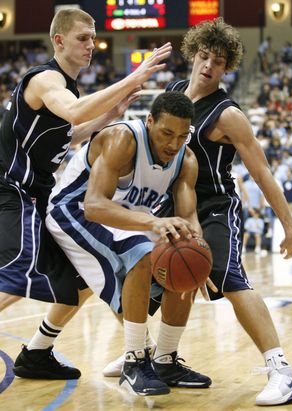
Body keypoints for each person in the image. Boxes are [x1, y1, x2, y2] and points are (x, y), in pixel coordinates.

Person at [106, 18, 292, 406]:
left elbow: (261, 172)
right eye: (205, 55)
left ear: (227, 68)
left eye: (220, 60)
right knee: (143, 270)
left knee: (224, 277)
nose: (210, 65)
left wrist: (289, 226)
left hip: (213, 206)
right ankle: (155, 358)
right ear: (193, 54)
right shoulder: (175, 93)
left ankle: (283, 371)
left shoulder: (227, 114)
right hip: (169, 201)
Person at [0, 7, 172, 378]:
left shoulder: (65, 87)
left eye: (93, 38)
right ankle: (137, 348)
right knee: (17, 275)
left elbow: (69, 134)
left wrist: (110, 116)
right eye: (83, 38)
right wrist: (134, 78)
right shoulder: (47, 80)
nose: (91, 45)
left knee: (79, 276)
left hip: (35, 194)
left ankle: (37, 353)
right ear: (59, 40)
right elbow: (75, 113)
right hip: (12, 191)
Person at [42, 91, 215, 395]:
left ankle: (165, 359)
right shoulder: (123, 139)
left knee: (184, 253)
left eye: (182, 135)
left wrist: (198, 247)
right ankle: (135, 360)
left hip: (124, 216)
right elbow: (95, 206)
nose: (173, 144)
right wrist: (152, 222)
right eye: (166, 133)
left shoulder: (186, 159)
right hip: (74, 209)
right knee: (142, 251)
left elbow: (188, 216)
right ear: (150, 121)